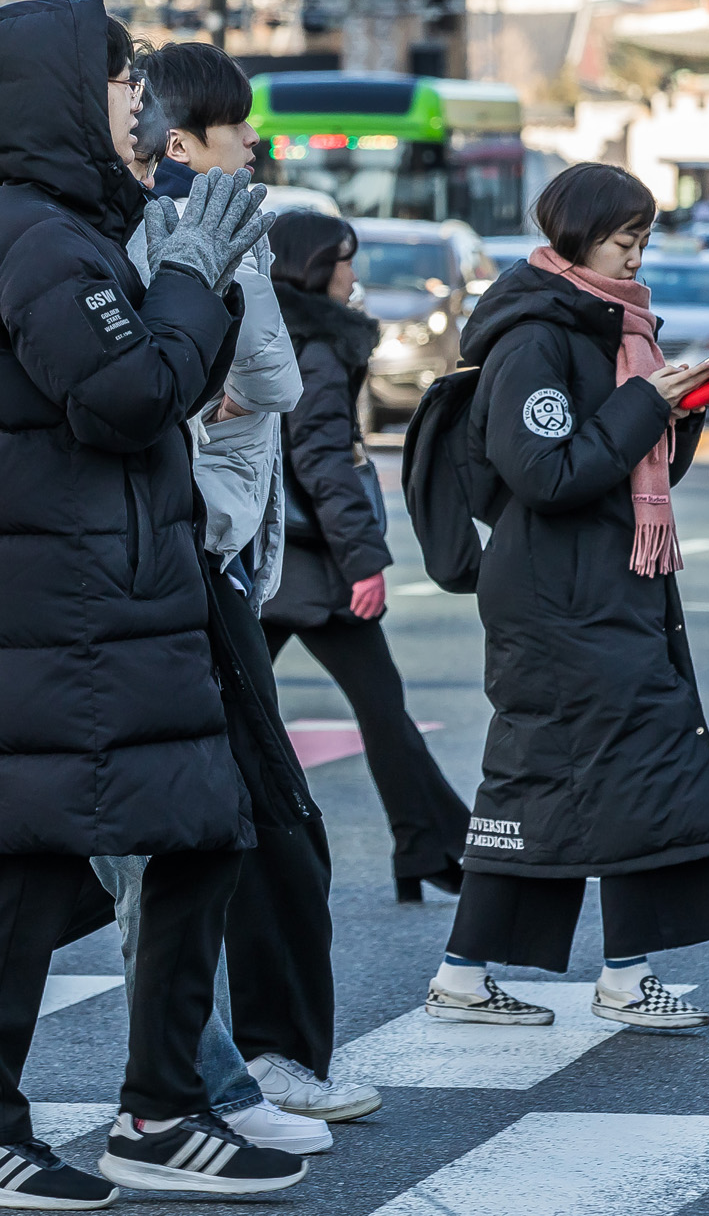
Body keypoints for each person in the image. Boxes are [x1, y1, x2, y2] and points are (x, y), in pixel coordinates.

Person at [0, 0, 303, 1208]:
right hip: (70, 598)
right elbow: (130, 396)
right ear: (53, 95)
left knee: (203, 830)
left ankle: (160, 1111)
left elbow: (166, 381)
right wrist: (189, 277)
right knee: (39, 857)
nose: (135, 93)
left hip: (126, 581)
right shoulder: (32, 236)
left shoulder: (78, 223)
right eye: (115, 73)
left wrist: (199, 279)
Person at [422, 162, 709, 1031]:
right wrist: (642, 405)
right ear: (578, 236)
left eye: (644, 241)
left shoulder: (612, 326)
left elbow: (635, 472)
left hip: (603, 583)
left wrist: (675, 413)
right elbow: (547, 474)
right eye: (624, 240)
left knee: (592, 773)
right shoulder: (536, 337)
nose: (637, 258)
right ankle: (610, 978)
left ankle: (492, 975)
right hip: (556, 595)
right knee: (576, 770)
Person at [130, 40, 383, 1126]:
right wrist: (213, 386)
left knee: (141, 825)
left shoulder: (121, 224)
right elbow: (271, 377)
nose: (255, 147)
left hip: (205, 547)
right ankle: (258, 1063)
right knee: (262, 819)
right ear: (186, 142)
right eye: (239, 130)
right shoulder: (208, 231)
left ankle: (231, 1070)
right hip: (192, 549)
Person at [262, 211, 471, 903]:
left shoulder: (266, 328)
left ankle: (426, 843)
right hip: (312, 563)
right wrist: (362, 562)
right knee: (379, 706)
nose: (353, 273)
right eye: (343, 259)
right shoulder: (319, 346)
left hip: (269, 560)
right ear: (313, 268)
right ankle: (428, 844)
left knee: (369, 705)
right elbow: (322, 461)